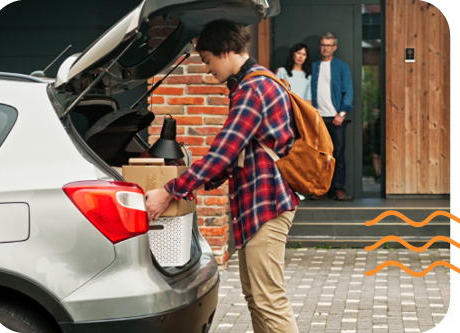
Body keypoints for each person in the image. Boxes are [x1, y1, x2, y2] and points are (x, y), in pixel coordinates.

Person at [145, 19, 300, 333]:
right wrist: (198, 183)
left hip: (266, 205)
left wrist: (171, 189)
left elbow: (223, 153)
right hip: (259, 206)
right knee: (256, 297)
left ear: (225, 51)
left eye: (207, 60)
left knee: (268, 300)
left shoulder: (253, 88)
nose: (207, 69)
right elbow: (236, 156)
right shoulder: (253, 83)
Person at [311, 32, 353, 201]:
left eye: (328, 45)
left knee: (338, 155)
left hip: (336, 119)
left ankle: (338, 189)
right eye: (323, 45)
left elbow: (348, 91)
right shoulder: (313, 66)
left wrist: (341, 113)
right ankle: (319, 189)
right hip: (317, 119)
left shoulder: (341, 67)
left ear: (334, 47)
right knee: (318, 155)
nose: (325, 48)